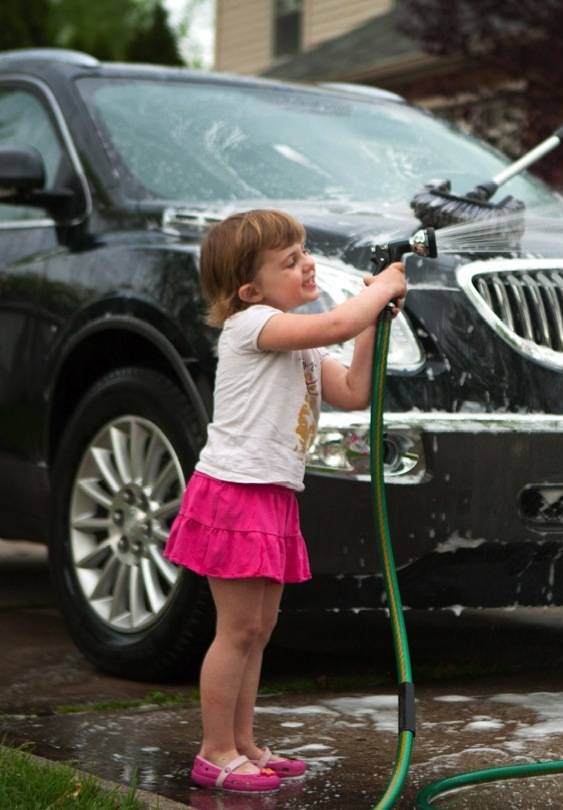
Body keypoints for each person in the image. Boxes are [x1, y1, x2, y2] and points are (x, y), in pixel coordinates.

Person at [164, 209, 407, 792]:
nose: (306, 263)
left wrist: (375, 321)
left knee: (260, 628)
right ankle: (214, 751)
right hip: (236, 494)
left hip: (271, 495)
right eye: (289, 260)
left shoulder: (293, 346)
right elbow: (333, 327)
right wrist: (380, 293)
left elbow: (352, 390)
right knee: (237, 629)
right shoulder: (254, 326)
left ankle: (243, 742)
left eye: (303, 251)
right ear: (250, 289)